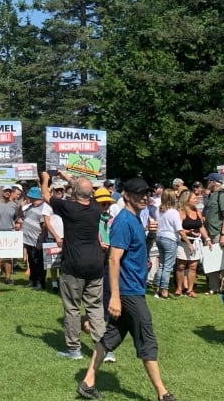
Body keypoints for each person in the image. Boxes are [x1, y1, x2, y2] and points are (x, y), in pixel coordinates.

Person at [76, 178, 177, 401]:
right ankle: (163, 393)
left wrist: (150, 234)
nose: (144, 197)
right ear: (126, 196)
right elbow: (113, 259)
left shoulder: (136, 218)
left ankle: (87, 383)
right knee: (147, 339)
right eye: (138, 193)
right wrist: (115, 297)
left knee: (110, 338)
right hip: (128, 292)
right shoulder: (123, 221)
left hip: (133, 288)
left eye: (147, 193)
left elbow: (133, 252)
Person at [41, 171, 105, 360]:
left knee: (72, 308)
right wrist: (67, 176)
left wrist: (45, 179)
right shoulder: (96, 207)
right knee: (95, 308)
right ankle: (105, 349)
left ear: (74, 193)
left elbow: (45, 195)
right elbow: (83, 191)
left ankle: (74, 350)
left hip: (73, 265)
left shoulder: (68, 207)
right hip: (95, 264)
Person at [174, 190, 211, 297]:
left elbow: (201, 227)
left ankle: (190, 289)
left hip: (196, 243)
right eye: (194, 198)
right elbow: (178, 229)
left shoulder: (198, 212)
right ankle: (179, 288)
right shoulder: (181, 212)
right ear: (187, 200)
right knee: (181, 266)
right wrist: (189, 232)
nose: (196, 200)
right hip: (184, 242)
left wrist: (207, 238)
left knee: (193, 266)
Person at [203, 172, 224, 294]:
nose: (207, 183)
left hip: (218, 233)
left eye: (208, 181)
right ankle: (213, 287)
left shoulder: (222, 196)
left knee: (222, 261)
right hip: (208, 233)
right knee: (210, 261)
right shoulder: (211, 196)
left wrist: (223, 235)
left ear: (214, 182)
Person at [152, 189, 181, 299]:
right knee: (168, 266)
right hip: (170, 238)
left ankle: (157, 289)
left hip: (159, 237)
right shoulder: (174, 212)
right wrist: (188, 242)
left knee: (162, 265)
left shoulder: (158, 210)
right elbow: (179, 229)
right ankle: (164, 290)